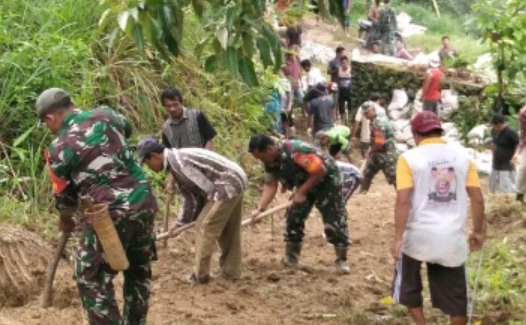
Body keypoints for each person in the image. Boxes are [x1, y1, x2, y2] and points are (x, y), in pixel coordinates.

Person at [36, 88, 158, 325]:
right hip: (144, 202)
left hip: (109, 213)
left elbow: (64, 198)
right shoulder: (107, 114)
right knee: (138, 272)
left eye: (46, 124)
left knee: (90, 276)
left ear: (50, 118)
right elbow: (127, 129)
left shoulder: (58, 149)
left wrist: (65, 219)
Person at [392, 111, 485, 325]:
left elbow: (403, 200)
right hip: (451, 238)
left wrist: (398, 237)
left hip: (417, 236)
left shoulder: (408, 158)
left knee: (409, 285)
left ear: (416, 134)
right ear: (440, 131)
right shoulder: (462, 157)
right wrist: (478, 231)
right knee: (457, 301)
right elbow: (477, 198)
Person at [137, 138, 247, 285]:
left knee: (204, 226)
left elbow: (202, 191)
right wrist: (181, 223)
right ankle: (231, 271)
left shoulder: (179, 164)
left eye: (146, 162)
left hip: (226, 184)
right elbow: (191, 195)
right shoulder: (176, 160)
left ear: (155, 156)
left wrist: (187, 220)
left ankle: (200, 275)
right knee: (229, 229)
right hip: (235, 178)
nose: (148, 167)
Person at [248, 135, 350, 274]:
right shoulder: (269, 160)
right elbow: (270, 185)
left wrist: (301, 193)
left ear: (270, 148)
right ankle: (291, 259)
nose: (262, 161)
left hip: (327, 180)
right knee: (293, 218)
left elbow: (319, 171)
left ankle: (341, 260)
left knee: (334, 220)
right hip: (304, 181)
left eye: (262, 157)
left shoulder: (296, 150)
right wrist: (260, 209)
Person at [360, 101, 397, 191]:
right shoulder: (378, 118)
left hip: (386, 152)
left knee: (393, 176)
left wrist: (369, 151)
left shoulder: (378, 122)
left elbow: (380, 142)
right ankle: (362, 194)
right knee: (368, 173)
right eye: (364, 113)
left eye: (366, 113)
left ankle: (403, 196)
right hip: (378, 151)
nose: (365, 115)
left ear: (372, 110)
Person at [489, 113, 520, 193]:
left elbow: (518, 144)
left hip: (507, 161)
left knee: (505, 183)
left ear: (501, 124)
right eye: (494, 126)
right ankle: (494, 196)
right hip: (497, 160)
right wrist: (493, 154)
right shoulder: (494, 131)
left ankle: (510, 196)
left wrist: (515, 155)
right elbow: (494, 143)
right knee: (493, 183)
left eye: (497, 126)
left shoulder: (511, 132)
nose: (496, 128)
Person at [336, 57, 352, 124]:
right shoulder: (339, 70)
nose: (343, 64)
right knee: (341, 107)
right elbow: (338, 79)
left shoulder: (351, 69)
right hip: (341, 91)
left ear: (347, 63)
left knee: (350, 107)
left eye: (344, 63)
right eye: (342, 63)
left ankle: (349, 121)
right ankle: (343, 121)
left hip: (349, 91)